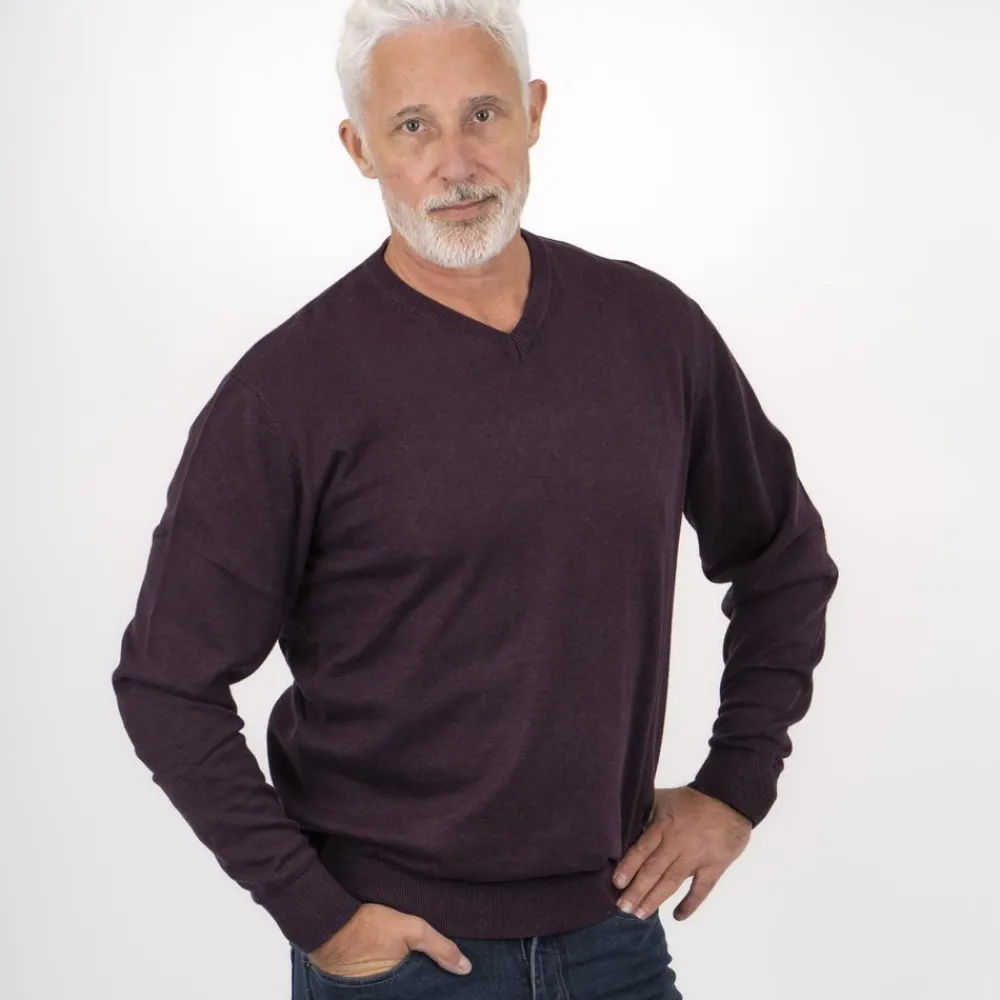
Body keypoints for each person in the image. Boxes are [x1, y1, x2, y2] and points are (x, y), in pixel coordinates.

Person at [110, 1, 839, 997]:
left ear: (533, 113)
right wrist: (317, 915)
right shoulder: (288, 393)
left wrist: (736, 784)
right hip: (399, 955)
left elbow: (780, 556)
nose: (455, 163)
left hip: (615, 935)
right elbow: (166, 681)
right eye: (413, 126)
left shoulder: (651, 332)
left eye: (483, 115)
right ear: (359, 148)